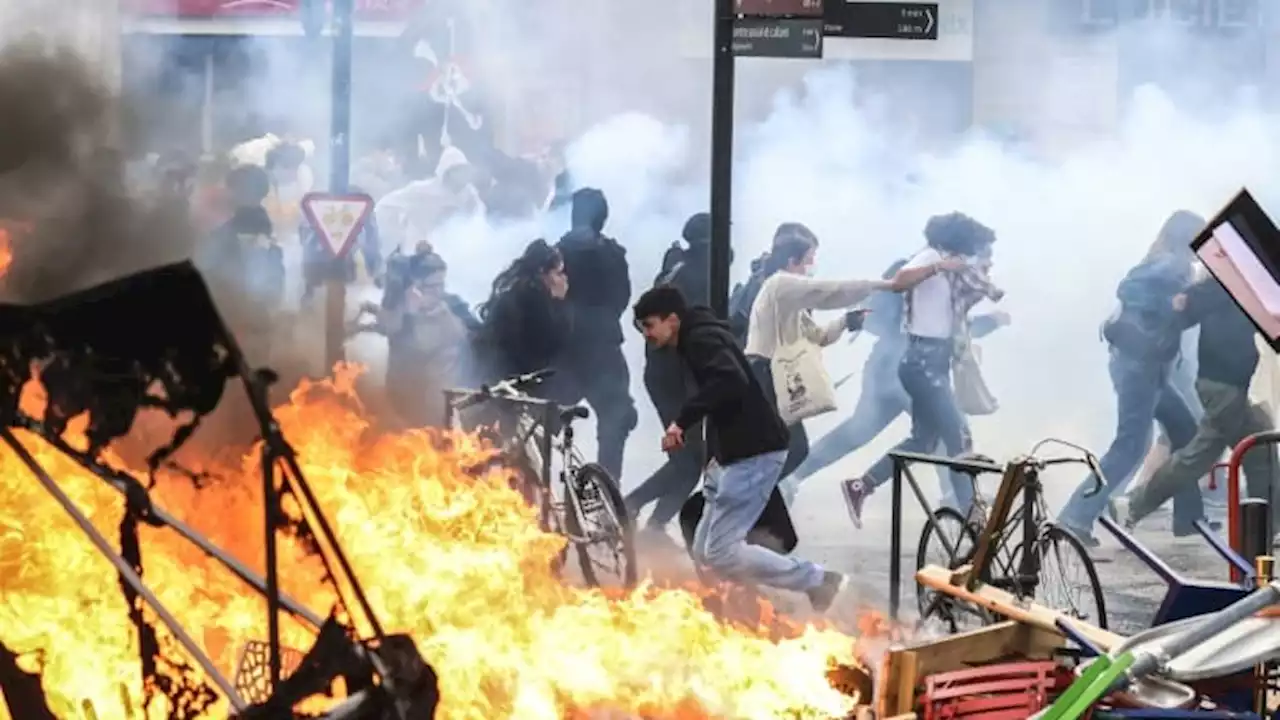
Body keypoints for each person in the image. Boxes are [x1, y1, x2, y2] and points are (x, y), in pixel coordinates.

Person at [632, 284, 847, 611]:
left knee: (721, 551)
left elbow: (730, 381)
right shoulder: (695, 337)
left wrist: (681, 422)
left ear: (671, 320)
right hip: (730, 455)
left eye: (648, 325)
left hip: (753, 452)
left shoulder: (700, 340)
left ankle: (818, 581)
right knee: (706, 551)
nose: (645, 334)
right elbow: (719, 399)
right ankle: (743, 609)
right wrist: (711, 455)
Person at [786, 255, 1011, 506]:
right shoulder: (927, 277)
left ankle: (794, 475)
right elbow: (948, 329)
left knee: (862, 431)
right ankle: (959, 499)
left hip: (888, 369)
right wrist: (992, 321)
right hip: (905, 370)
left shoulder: (920, 274)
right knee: (945, 428)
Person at [1056, 210, 1211, 547]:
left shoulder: (1170, 263)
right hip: (1140, 366)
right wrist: (1177, 302)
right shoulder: (1171, 266)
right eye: (1201, 236)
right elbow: (1133, 292)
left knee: (1185, 431)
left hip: (1147, 365)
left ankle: (1190, 519)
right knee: (1130, 445)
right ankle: (1073, 518)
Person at [842, 212, 997, 528]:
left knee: (924, 442)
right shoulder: (930, 257)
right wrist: (939, 266)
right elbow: (899, 283)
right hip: (922, 363)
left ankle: (861, 485)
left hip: (931, 362)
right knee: (959, 437)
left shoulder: (949, 265)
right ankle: (974, 518)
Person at [1125, 276, 1277, 529]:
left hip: (1233, 384)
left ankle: (1134, 505)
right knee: (1257, 456)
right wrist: (1179, 303)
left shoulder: (1251, 278)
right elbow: (1186, 308)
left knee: (1203, 456)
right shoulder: (1229, 277)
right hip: (1225, 385)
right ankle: (1267, 529)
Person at [743, 222, 882, 479]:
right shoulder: (780, 284)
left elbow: (816, 336)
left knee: (784, 450)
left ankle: (756, 501)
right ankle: (749, 500)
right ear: (792, 260)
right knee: (788, 449)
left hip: (776, 380)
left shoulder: (793, 293)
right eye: (809, 260)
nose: (812, 266)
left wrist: (845, 322)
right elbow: (830, 292)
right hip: (763, 376)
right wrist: (882, 285)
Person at [625, 213, 715, 538]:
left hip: (669, 373)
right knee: (688, 460)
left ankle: (651, 523)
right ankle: (633, 509)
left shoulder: (677, 265)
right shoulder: (696, 273)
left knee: (690, 460)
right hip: (674, 377)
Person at [555, 187, 637, 482]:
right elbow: (621, 297)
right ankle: (607, 497)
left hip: (565, 350)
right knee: (616, 421)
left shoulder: (556, 252)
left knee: (540, 424)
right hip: (603, 347)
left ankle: (535, 495)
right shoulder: (613, 254)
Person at [349, 248, 479, 428]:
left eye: (441, 285)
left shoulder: (452, 304)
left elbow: (475, 332)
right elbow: (397, 332)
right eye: (432, 286)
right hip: (412, 402)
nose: (438, 291)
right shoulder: (405, 310)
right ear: (416, 285)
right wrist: (362, 324)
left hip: (450, 400)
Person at [474, 239, 571, 383]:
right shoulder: (533, 299)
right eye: (558, 273)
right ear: (542, 273)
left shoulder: (517, 289)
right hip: (513, 377)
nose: (564, 278)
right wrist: (559, 302)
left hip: (497, 372)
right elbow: (552, 344)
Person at [375, 145, 485, 256]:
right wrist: (391, 230)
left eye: (464, 170)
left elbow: (480, 215)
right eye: (458, 170)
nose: (463, 175)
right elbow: (387, 204)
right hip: (418, 246)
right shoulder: (422, 190)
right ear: (447, 171)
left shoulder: (469, 193)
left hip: (449, 247)